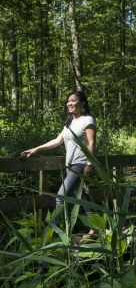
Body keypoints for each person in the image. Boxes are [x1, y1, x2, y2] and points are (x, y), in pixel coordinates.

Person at [21, 90, 96, 234]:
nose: (69, 103)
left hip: (80, 164)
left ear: (83, 103)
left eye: (73, 100)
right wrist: (35, 149)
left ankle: (56, 233)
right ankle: (96, 227)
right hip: (70, 165)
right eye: (68, 101)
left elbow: (91, 144)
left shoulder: (88, 120)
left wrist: (89, 163)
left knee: (60, 197)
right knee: (83, 196)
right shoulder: (69, 122)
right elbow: (57, 141)